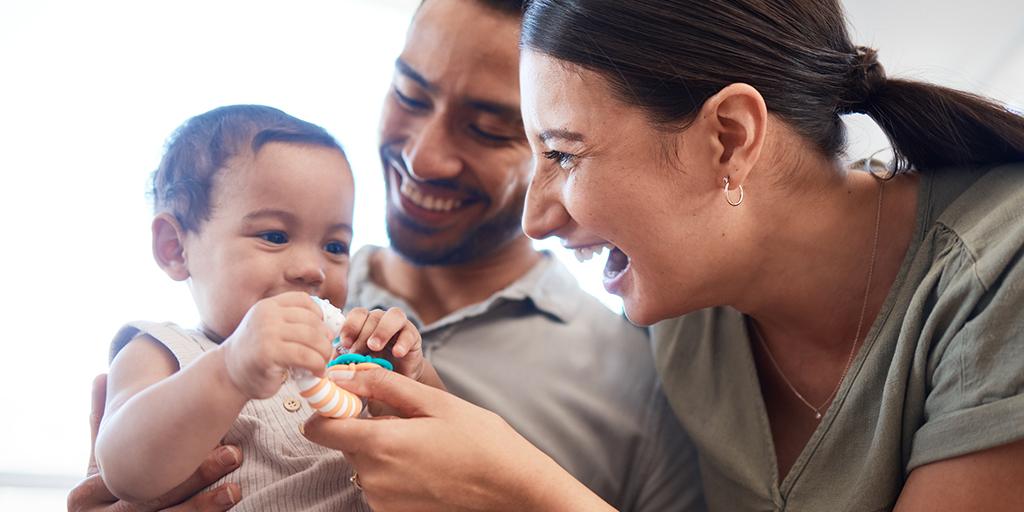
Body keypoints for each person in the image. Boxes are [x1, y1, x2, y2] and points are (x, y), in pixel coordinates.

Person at [300, 0, 1024, 510]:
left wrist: (522, 494)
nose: (537, 217)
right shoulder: (680, 316)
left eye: (562, 153)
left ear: (730, 138)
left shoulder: (1000, 273)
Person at [68, 1, 704, 511]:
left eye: (487, 128)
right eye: (410, 93)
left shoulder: (638, 373)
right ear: (175, 248)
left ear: (555, 146)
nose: (423, 158)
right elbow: (124, 466)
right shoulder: (175, 353)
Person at [91, 104, 438, 511]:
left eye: (335, 246)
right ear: (175, 247)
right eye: (274, 236)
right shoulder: (163, 352)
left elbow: (460, 455)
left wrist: (412, 376)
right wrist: (230, 369)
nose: (313, 269)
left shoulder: (349, 359)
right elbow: (126, 470)